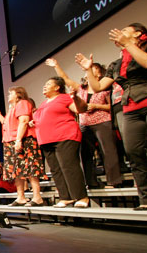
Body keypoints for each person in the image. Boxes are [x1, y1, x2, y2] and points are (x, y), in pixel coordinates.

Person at [75, 23, 147, 210]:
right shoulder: (117, 63)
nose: (119, 34)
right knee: (135, 154)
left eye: (125, 31)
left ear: (138, 33)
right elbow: (97, 87)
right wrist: (88, 69)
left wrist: (129, 44)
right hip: (130, 109)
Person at [46, 58, 122, 188]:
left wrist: (97, 106)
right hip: (85, 124)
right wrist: (56, 65)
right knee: (86, 154)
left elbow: (114, 106)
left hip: (103, 121)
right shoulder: (81, 88)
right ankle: (91, 182)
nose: (88, 73)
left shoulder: (106, 88)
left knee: (108, 152)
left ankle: (113, 181)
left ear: (98, 73)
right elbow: (65, 79)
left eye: (92, 69)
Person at [33, 76, 89, 208]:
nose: (44, 86)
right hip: (46, 140)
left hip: (64, 136)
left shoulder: (64, 98)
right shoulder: (44, 103)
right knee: (56, 170)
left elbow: (79, 109)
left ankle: (81, 196)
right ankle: (65, 197)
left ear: (57, 87)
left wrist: (75, 97)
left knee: (69, 167)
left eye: (48, 84)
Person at [0, 86, 46, 207]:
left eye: (11, 93)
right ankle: (20, 197)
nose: (9, 95)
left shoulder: (23, 103)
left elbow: (24, 121)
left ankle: (37, 197)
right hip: (11, 142)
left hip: (24, 140)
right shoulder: (12, 108)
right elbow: (7, 124)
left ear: (18, 95)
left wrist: (19, 140)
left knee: (30, 168)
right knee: (16, 171)